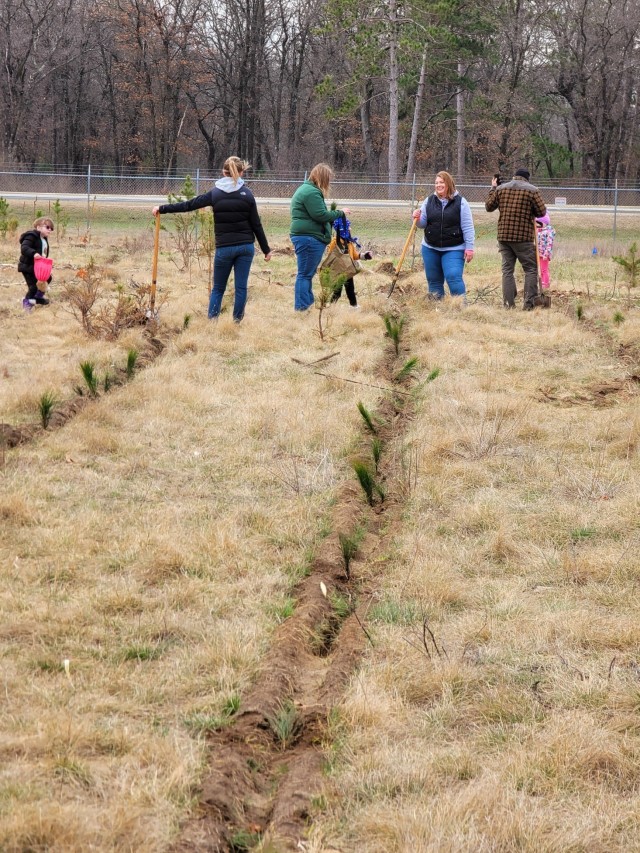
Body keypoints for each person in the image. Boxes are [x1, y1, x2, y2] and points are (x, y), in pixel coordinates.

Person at [152, 156, 271, 323]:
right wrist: (266, 250)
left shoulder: (215, 194)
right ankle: (237, 322)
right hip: (245, 247)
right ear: (242, 172)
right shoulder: (247, 194)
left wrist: (162, 209)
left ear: (223, 172)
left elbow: (189, 205)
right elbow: (256, 224)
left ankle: (212, 321)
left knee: (218, 289)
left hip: (225, 248)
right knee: (241, 287)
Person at [290, 164, 349, 311]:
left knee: (306, 273)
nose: (329, 183)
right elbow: (320, 215)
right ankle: (302, 307)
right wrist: (340, 213)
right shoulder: (311, 192)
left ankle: (306, 305)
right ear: (322, 178)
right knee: (304, 274)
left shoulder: (307, 189)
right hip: (309, 238)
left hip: (306, 237)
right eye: (328, 179)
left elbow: (317, 214)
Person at [485, 167, 547, 310]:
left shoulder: (501, 189)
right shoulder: (532, 190)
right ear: (527, 178)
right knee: (530, 269)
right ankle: (529, 304)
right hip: (523, 238)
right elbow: (542, 212)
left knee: (507, 270)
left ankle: (508, 304)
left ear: (514, 176)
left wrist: (493, 188)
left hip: (504, 236)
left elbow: (489, 206)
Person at [412, 171, 475, 300]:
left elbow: (468, 227)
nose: (438, 185)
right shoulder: (428, 201)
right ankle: (437, 310)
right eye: (436, 183)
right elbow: (422, 223)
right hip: (430, 247)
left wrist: (469, 248)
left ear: (448, 184)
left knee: (453, 277)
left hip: (454, 248)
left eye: (441, 182)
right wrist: (416, 218)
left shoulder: (461, 202)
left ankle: (460, 308)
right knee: (434, 281)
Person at [326, 214, 373, 308]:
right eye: (348, 227)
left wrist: (365, 256)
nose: (350, 229)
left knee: (350, 289)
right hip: (338, 271)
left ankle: (354, 306)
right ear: (342, 230)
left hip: (348, 270)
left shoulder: (350, 242)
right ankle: (330, 307)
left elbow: (355, 256)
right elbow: (330, 255)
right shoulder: (335, 242)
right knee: (337, 291)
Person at [18, 217, 53, 312]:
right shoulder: (31, 236)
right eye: (47, 227)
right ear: (38, 227)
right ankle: (27, 304)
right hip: (28, 267)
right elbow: (24, 248)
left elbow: (43, 253)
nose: (50, 230)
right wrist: (33, 253)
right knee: (33, 287)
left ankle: (37, 298)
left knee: (48, 279)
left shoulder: (44, 239)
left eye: (51, 228)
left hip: (38, 267)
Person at [535, 212, 555, 289]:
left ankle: (545, 284)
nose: (537, 225)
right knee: (538, 270)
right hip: (537, 254)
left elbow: (549, 244)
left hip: (544, 255)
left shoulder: (549, 231)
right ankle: (540, 284)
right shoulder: (537, 231)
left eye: (539, 223)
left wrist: (546, 254)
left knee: (544, 269)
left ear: (545, 223)